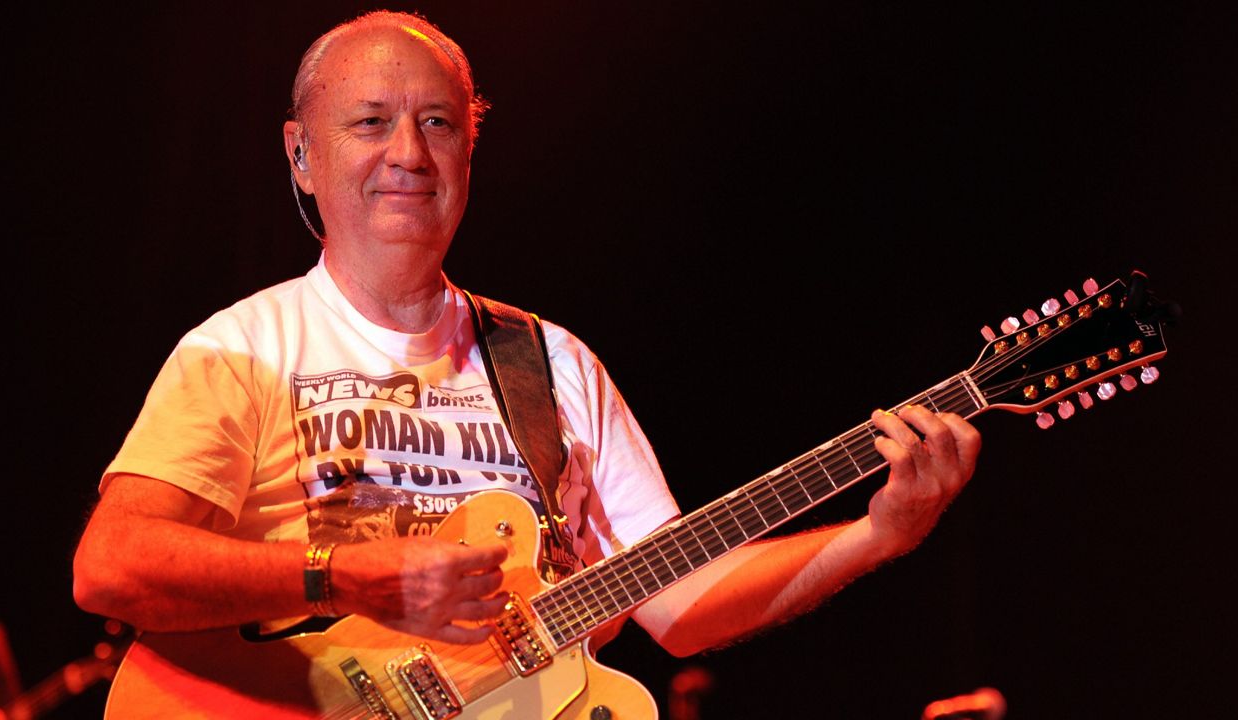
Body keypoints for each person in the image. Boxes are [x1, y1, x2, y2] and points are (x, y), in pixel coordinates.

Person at [73, 8, 978, 673]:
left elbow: (677, 602)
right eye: (369, 121)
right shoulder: (242, 346)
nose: (409, 154)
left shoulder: (552, 363)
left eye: (438, 123)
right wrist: (344, 577)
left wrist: (878, 534)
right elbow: (112, 565)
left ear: (471, 149)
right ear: (301, 155)